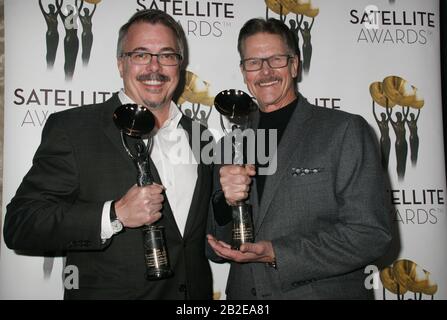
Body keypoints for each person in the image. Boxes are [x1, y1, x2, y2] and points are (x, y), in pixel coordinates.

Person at [4, 9, 213, 300]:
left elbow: (202, 234)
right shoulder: (74, 128)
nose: (155, 66)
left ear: (179, 64)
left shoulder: (200, 135)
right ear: (120, 64)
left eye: (167, 55)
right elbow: (21, 224)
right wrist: (113, 214)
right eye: (140, 54)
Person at [206, 18, 392, 300]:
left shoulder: (344, 130)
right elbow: (214, 249)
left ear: (294, 64)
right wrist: (224, 204)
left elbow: (370, 234)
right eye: (254, 62)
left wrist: (276, 253)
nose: (265, 71)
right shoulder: (230, 144)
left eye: (276, 59)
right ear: (244, 72)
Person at [39, 0, 60, 68]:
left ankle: (52, 65)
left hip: (56, 35)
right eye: (52, 8)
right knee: (49, 50)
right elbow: (41, 6)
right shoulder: (46, 15)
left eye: (54, 8)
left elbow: (59, 6)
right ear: (50, 9)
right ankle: (49, 65)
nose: (53, 9)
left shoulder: (55, 15)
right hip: (50, 35)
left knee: (54, 50)